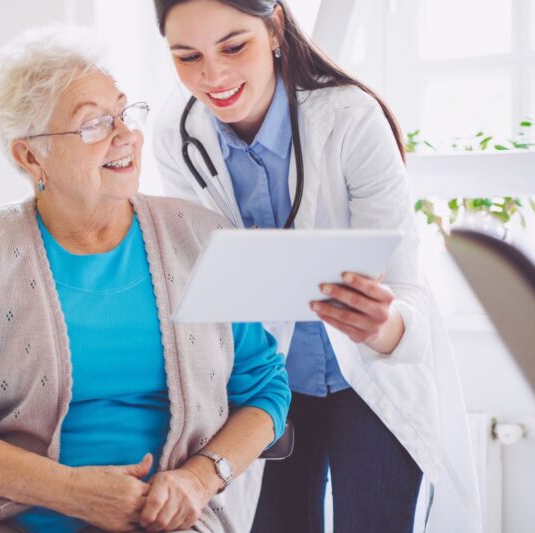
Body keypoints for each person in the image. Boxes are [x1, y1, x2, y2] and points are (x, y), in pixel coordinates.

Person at [0, 26, 290, 533]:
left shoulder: (203, 238)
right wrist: (69, 491)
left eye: (124, 113)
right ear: (30, 156)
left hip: (162, 517)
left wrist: (197, 478)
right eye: (94, 125)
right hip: (1, 514)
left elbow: (264, 390)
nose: (125, 135)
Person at [150, 1, 481, 532]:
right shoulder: (178, 133)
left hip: (370, 382)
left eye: (235, 46)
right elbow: (206, 273)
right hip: (263, 386)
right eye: (187, 57)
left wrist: (383, 324)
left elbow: (403, 286)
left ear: (275, 27)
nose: (212, 76)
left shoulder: (351, 118)